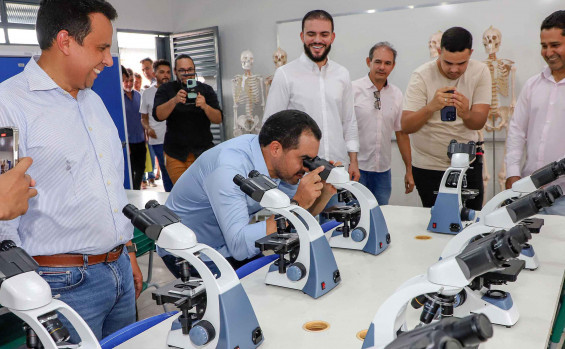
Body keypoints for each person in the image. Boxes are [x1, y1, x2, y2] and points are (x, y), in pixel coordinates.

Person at [0, 0, 141, 342]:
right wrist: (27, 286)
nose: (109, 60)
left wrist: (127, 250)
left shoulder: (91, 100)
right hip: (63, 283)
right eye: (102, 48)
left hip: (118, 268)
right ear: (65, 41)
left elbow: (109, 185)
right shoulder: (9, 105)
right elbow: (5, 208)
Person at [159, 110, 336, 277]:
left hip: (230, 241)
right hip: (190, 250)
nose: (307, 167)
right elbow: (240, 247)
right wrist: (298, 203)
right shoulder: (230, 169)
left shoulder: (277, 164)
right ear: (276, 148)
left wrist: (325, 192)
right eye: (304, 159)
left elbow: (296, 215)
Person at [263, 9, 360, 182]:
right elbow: (270, 127)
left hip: (338, 170)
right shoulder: (285, 75)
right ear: (302, 36)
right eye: (311, 34)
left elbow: (349, 121)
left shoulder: (342, 74)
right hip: (301, 175)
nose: (317, 40)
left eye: (324, 34)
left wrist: (353, 160)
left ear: (332, 37)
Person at [401, 26, 491, 209]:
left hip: (468, 165)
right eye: (448, 62)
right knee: (436, 223)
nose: (454, 70)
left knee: (471, 222)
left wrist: (466, 112)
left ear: (471, 53)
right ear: (439, 52)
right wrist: (431, 107)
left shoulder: (480, 72)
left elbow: (479, 122)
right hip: (428, 167)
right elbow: (406, 125)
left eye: (461, 63)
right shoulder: (421, 75)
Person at [505, 10, 565, 215]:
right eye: (544, 46)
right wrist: (512, 173)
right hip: (529, 195)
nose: (548, 53)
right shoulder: (532, 85)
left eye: (555, 45)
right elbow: (516, 132)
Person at [352, 42, 414, 205]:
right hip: (355, 169)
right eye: (378, 62)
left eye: (387, 63)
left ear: (393, 66)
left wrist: (409, 170)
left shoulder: (396, 94)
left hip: (382, 172)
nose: (382, 67)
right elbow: (343, 129)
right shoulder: (353, 90)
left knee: (381, 215)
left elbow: (401, 133)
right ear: (368, 62)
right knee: (354, 218)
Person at [153, 54, 223, 184]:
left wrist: (205, 106)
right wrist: (174, 101)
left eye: (190, 70)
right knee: (183, 192)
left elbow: (218, 118)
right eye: (182, 71)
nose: (187, 74)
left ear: (195, 70)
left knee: (205, 189)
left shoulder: (206, 89)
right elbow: (158, 115)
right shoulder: (166, 89)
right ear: (175, 72)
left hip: (203, 152)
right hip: (175, 153)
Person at [140, 59, 173, 192]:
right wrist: (148, 128)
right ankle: (170, 198)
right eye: (161, 72)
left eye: (168, 72)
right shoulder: (147, 93)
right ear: (154, 74)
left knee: (178, 169)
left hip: (176, 138)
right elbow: (143, 118)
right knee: (165, 170)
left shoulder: (176, 90)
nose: (165, 75)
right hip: (158, 139)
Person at [123, 66, 146, 190]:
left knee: (141, 168)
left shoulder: (138, 96)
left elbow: (143, 117)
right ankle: (133, 192)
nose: (129, 83)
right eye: (126, 80)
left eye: (131, 80)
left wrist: (145, 135)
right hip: (129, 142)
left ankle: (137, 189)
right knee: (130, 170)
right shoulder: (120, 98)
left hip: (141, 139)